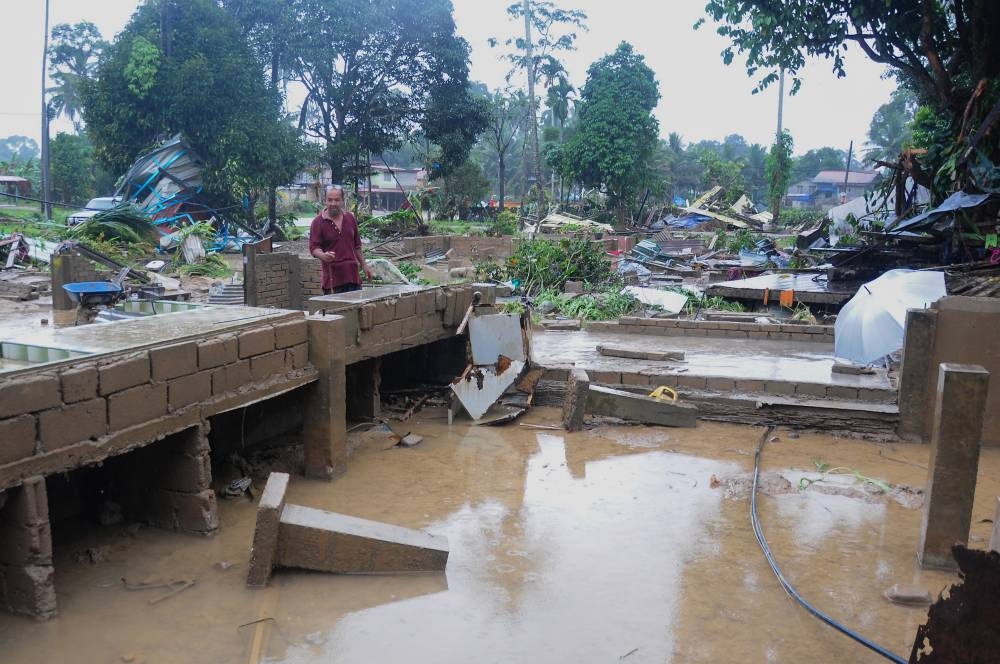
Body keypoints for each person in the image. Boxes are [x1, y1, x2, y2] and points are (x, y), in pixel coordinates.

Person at [309, 185, 373, 294]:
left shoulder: (350, 218)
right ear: (325, 200)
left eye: (337, 200)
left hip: (353, 278)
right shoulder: (318, 222)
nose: (333, 203)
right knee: (335, 311)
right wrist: (324, 256)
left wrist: (364, 265)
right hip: (333, 281)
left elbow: (357, 246)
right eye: (330, 200)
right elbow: (314, 248)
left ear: (343, 201)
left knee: (356, 310)